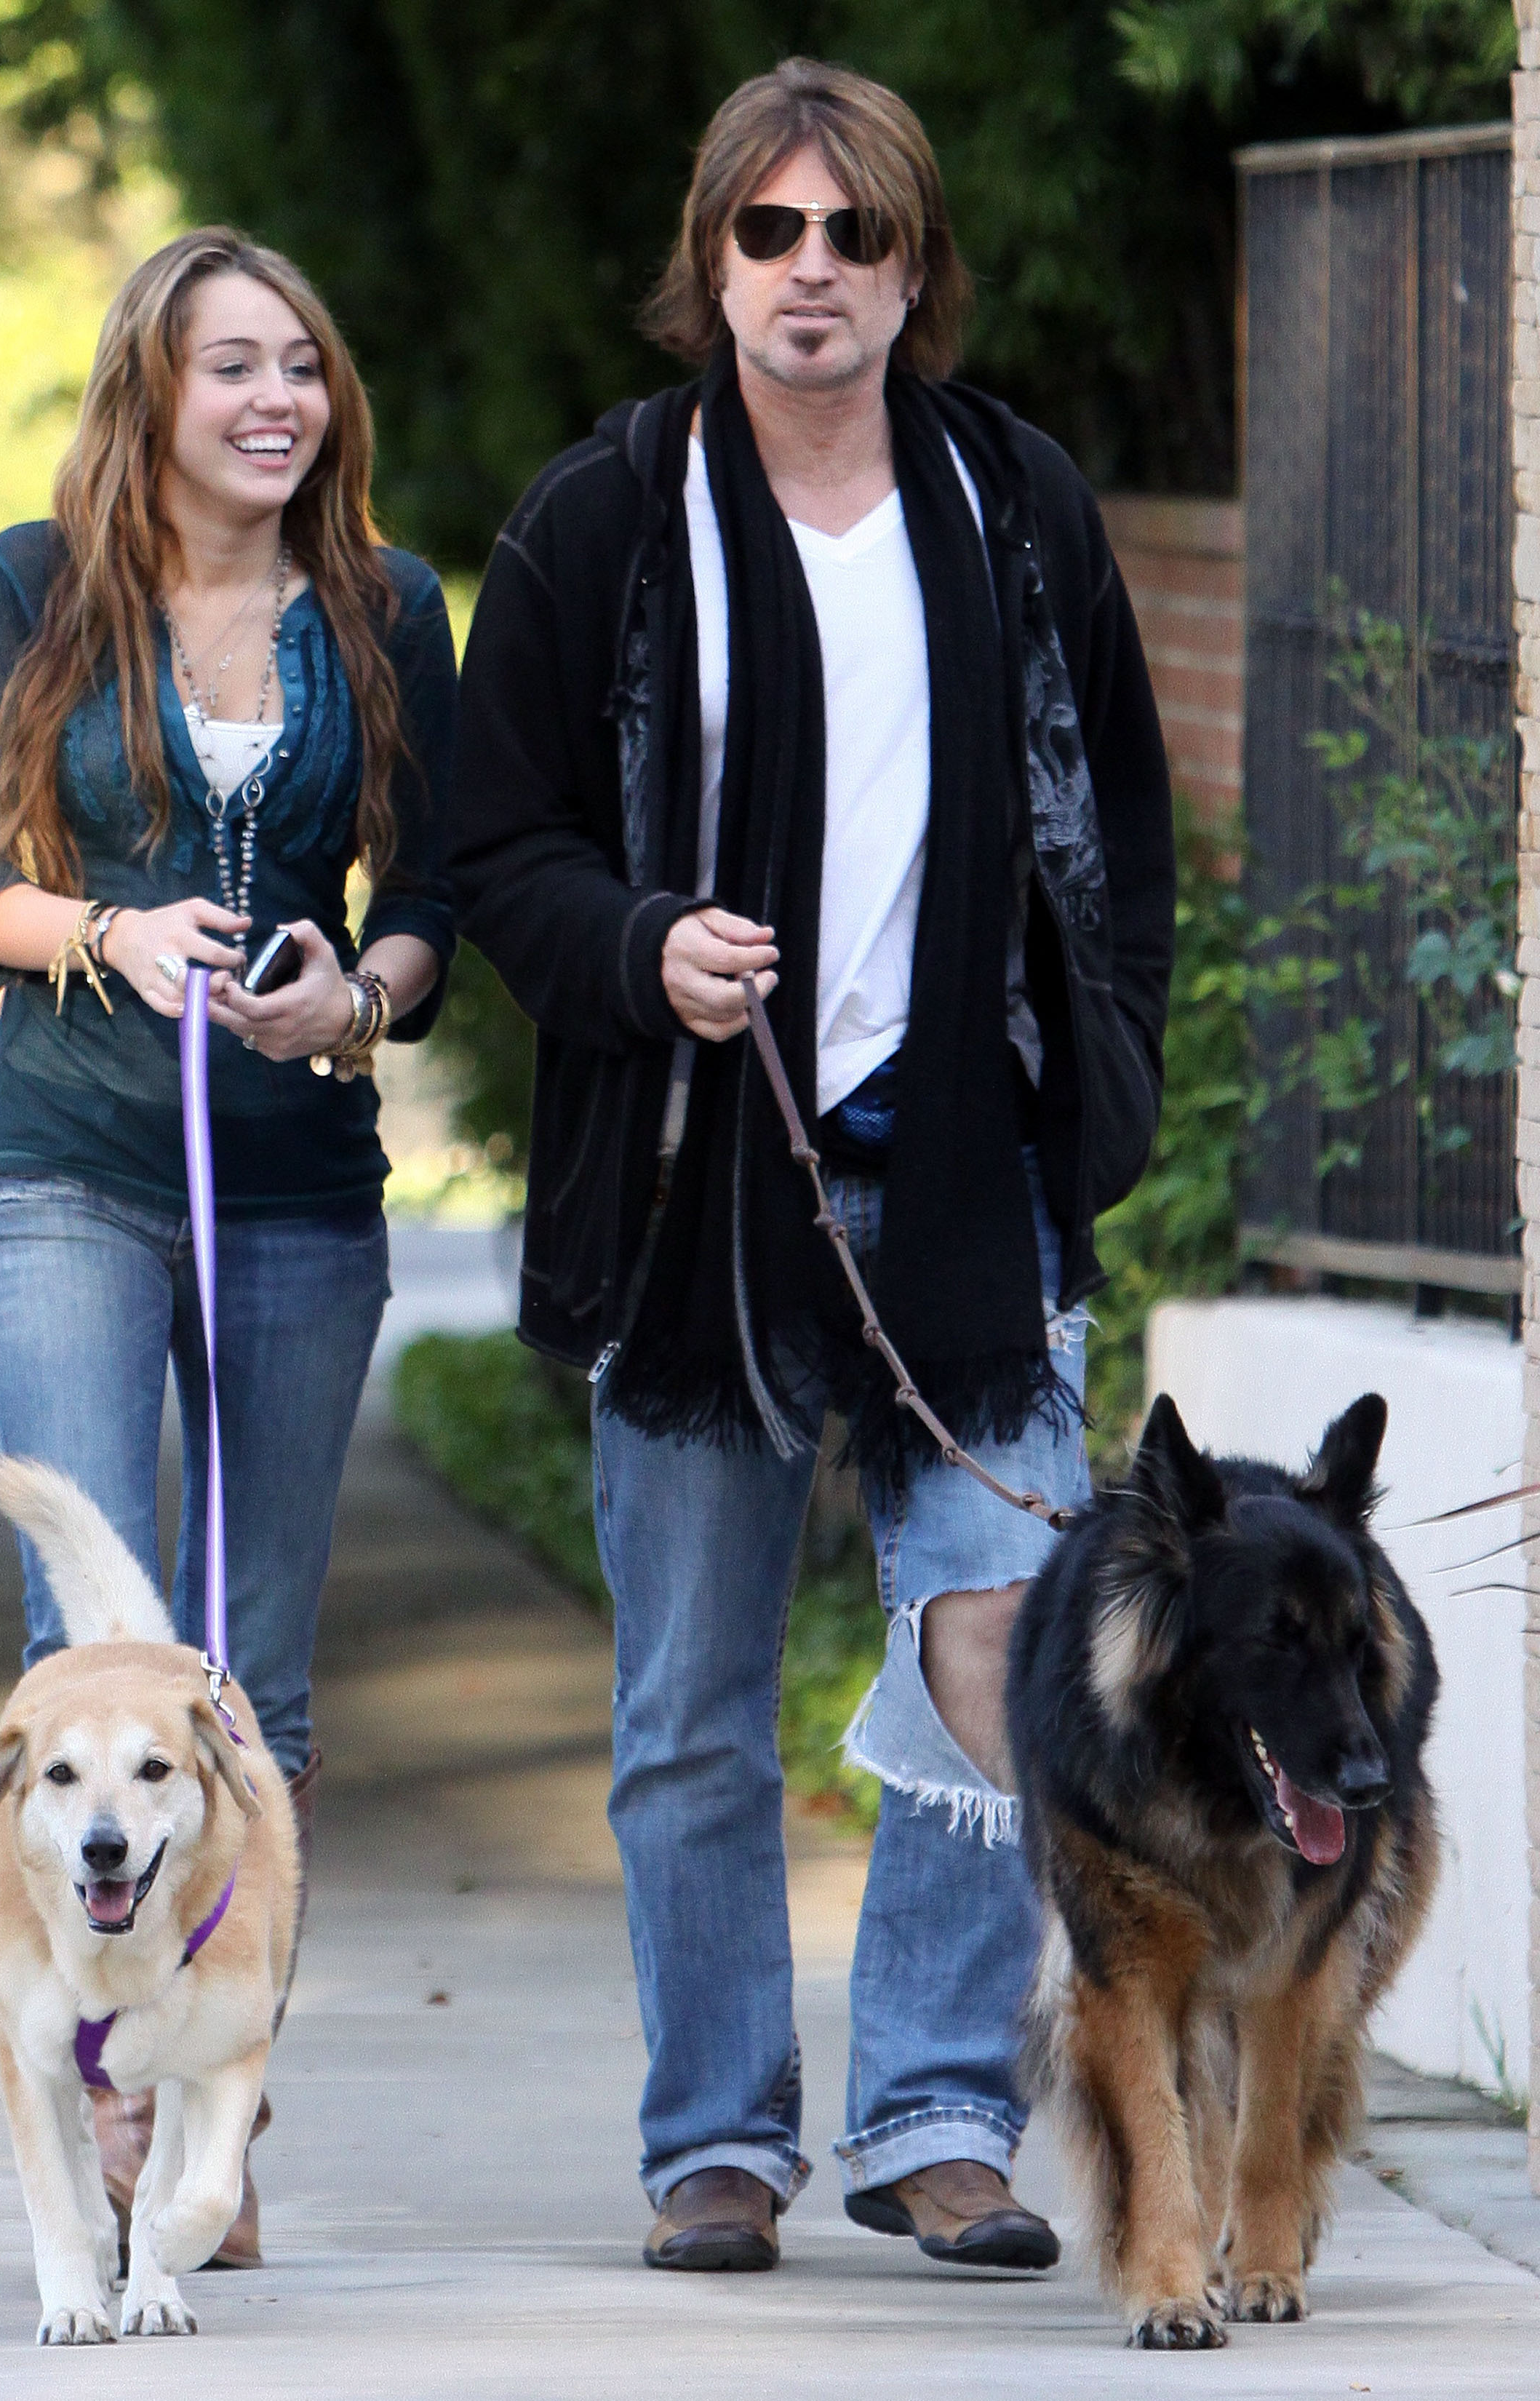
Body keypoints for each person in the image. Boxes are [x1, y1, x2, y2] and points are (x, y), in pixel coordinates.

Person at [450, 60, 1173, 2273]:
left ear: (914, 265)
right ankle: (716, 2138)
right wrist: (641, 947)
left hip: (962, 1184)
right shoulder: (608, 515)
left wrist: (1099, 1078)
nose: (814, 270)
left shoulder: (1009, 500)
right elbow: (496, 845)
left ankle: (940, 2116)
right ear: (713, 258)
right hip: (700, 1196)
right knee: (690, 1702)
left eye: (859, 234)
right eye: (770, 231)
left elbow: (1117, 821)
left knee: (991, 1656)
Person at [0, 227, 457, 2262]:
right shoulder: (33, 587)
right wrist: (111, 931)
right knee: (87, 1648)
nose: (274, 401)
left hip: (297, 1186)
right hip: (67, 1162)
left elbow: (437, 900)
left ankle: (211, 2105)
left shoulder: (387, 607)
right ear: (150, 388)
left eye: (301, 367)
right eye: (232, 365)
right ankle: (102, 2105)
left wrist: (357, 999)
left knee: (254, 1690)